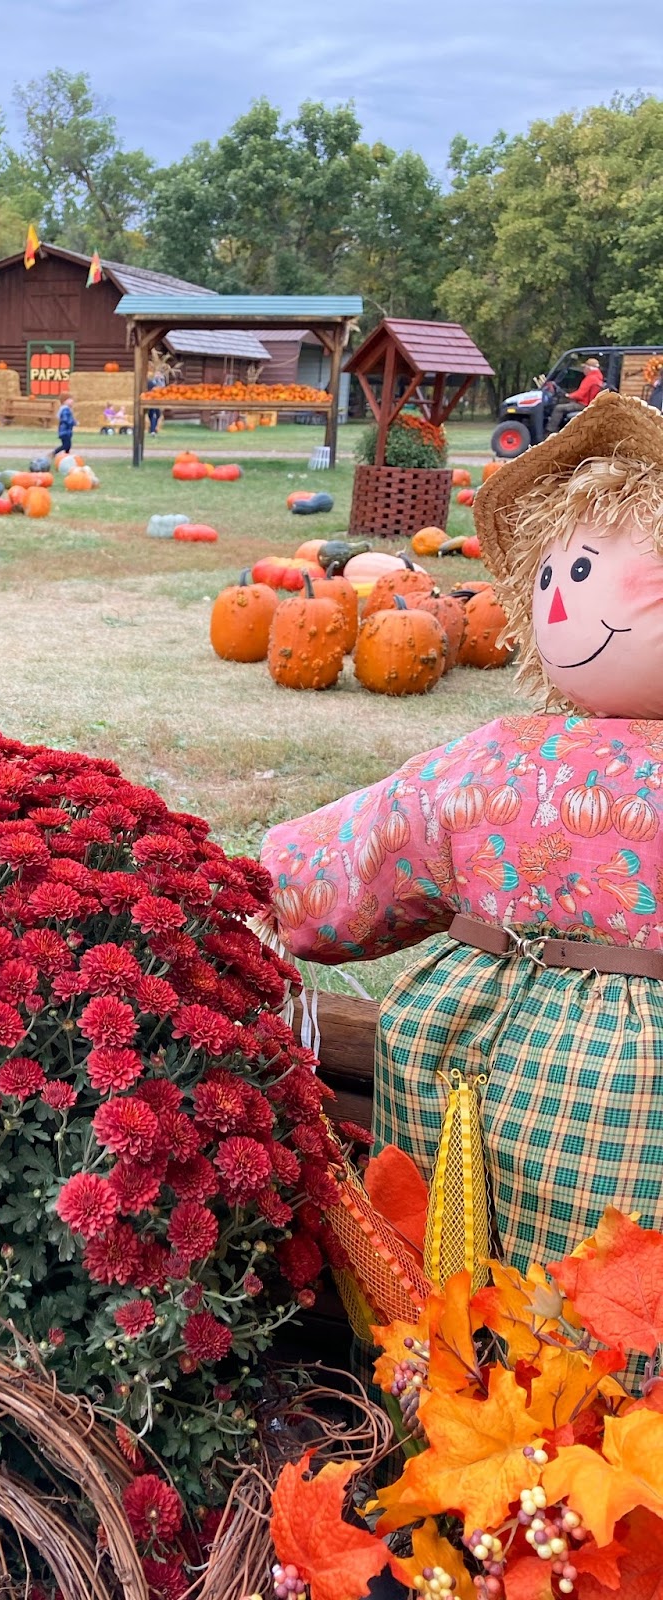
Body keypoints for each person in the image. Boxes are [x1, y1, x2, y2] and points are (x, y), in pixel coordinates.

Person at [260, 391, 663, 1350]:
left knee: (474, 1314)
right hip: (488, 1100)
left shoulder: (495, 764)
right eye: (561, 570)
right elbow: (370, 851)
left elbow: (348, 872)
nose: (566, 599)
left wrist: (257, 892)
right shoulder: (497, 760)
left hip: (475, 1060)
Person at [551, 355, 605, 430]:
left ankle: (550, 432)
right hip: (588, 403)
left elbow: (580, 395)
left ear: (589, 368)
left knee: (558, 408)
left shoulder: (590, 379)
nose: (583, 370)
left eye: (584, 367)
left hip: (584, 405)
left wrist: (568, 395)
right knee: (564, 402)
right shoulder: (597, 378)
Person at [146, 369, 166, 435]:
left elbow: (163, 390)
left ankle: (152, 428)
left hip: (158, 400)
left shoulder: (161, 382)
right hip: (152, 400)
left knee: (157, 414)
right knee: (152, 414)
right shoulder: (151, 382)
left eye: (159, 374)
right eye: (157, 374)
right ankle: (152, 430)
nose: (158, 375)